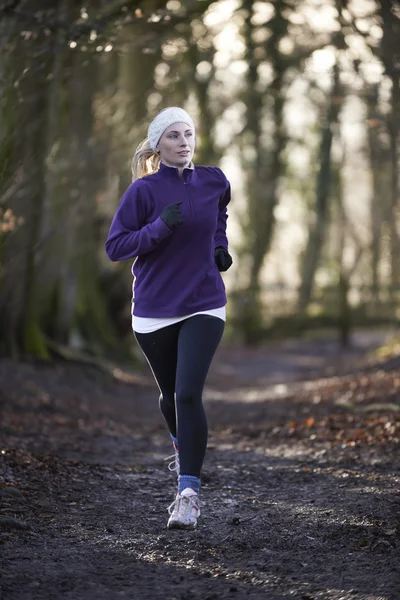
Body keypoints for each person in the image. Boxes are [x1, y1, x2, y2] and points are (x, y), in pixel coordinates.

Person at [105, 106, 233, 530]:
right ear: (158, 145)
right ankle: (183, 444)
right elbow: (117, 246)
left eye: (189, 134)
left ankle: (188, 493)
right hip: (155, 308)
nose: (184, 142)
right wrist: (159, 227)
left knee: (188, 394)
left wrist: (219, 246)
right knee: (169, 396)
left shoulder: (214, 180)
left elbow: (219, 218)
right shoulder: (143, 193)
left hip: (205, 300)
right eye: (174, 136)